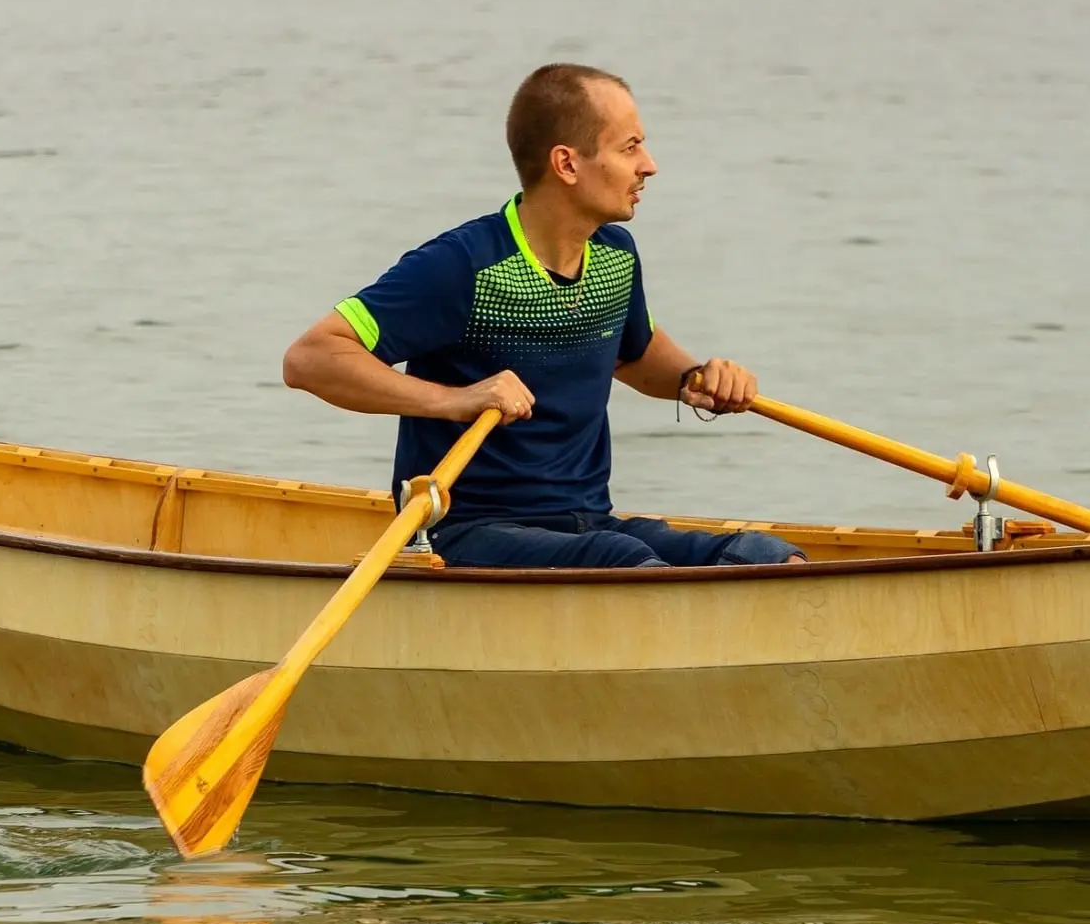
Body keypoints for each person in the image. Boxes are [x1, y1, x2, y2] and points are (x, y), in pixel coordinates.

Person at [282, 63, 808, 571]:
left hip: (587, 522)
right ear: (567, 164)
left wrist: (696, 378)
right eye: (630, 147)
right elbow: (310, 359)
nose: (649, 164)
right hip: (467, 531)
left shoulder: (615, 254)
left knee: (765, 554)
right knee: (626, 564)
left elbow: (634, 353)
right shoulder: (465, 265)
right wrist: (455, 400)